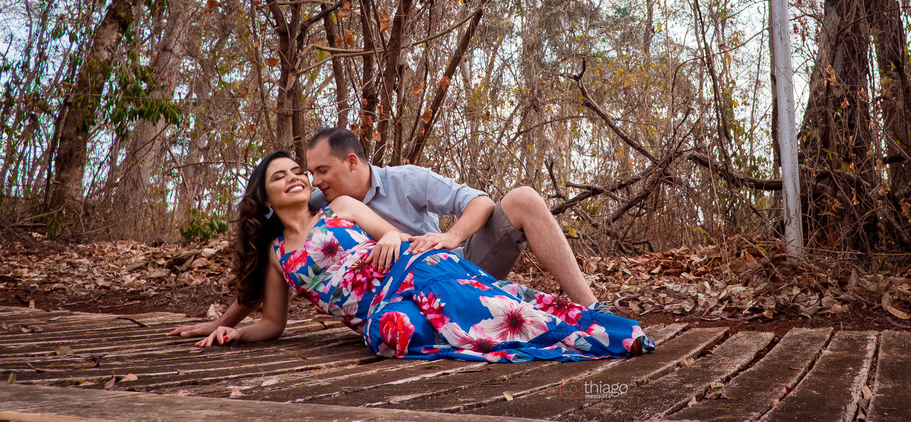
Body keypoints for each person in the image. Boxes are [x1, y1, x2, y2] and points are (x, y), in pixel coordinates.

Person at [193, 151, 652, 361]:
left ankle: (594, 329)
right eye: (285, 176)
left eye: (305, 171)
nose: (300, 177)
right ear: (267, 201)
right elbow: (272, 320)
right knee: (393, 333)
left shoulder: (342, 207)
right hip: (381, 311)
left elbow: (389, 232)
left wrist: (393, 237)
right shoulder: (277, 255)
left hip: (418, 268)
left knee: (497, 309)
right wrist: (230, 331)